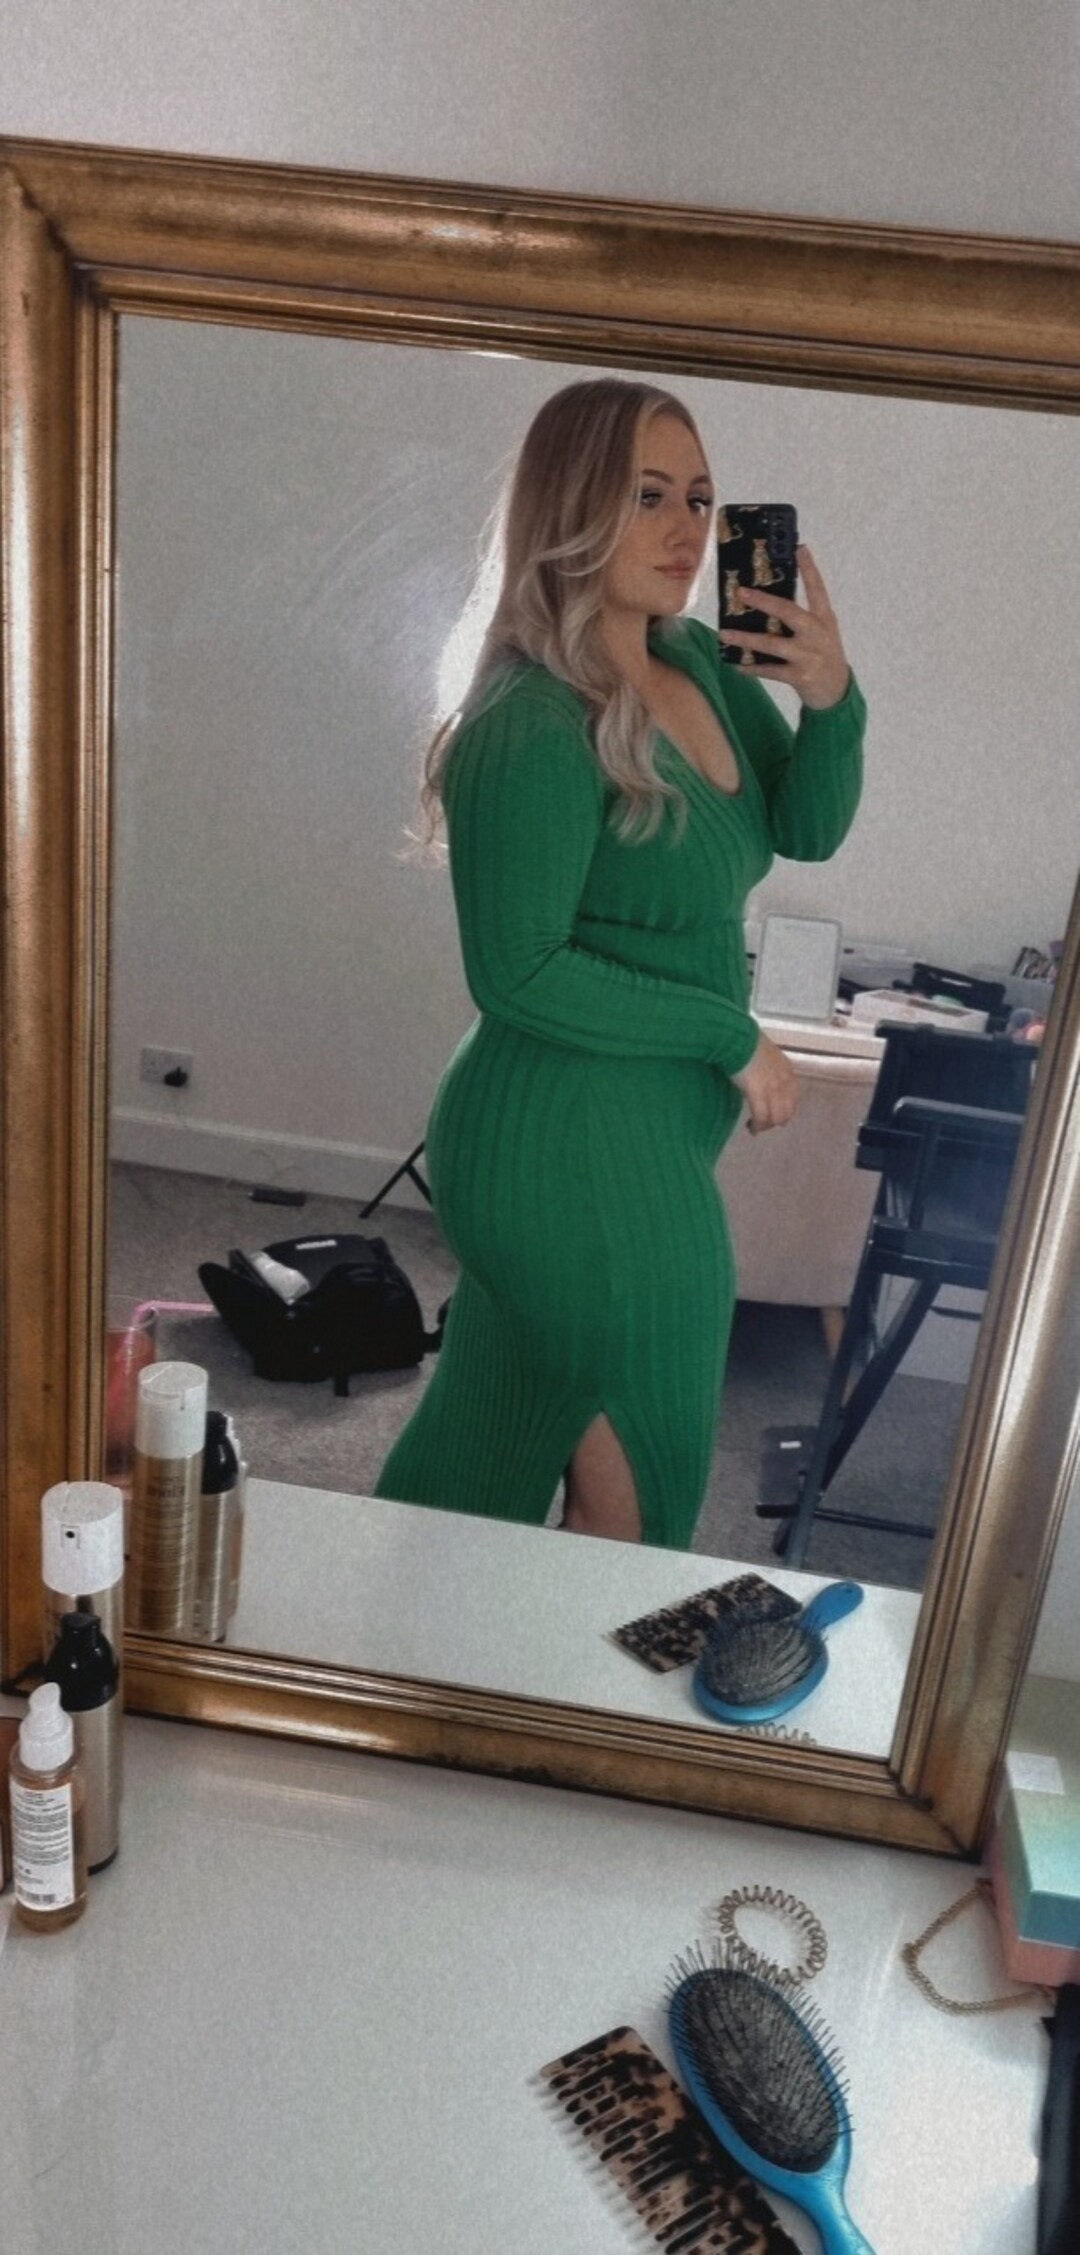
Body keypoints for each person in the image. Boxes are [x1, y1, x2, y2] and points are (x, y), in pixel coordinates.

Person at [374, 377, 864, 1547]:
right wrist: (727, 1032)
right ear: (572, 505)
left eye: (699, 496)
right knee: (639, 1483)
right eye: (647, 495)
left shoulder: (696, 660)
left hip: (628, 1139)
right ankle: (530, 1663)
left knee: (483, 1450)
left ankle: (391, 1628)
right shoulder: (530, 718)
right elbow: (520, 971)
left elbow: (805, 828)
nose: (687, 527)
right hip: (561, 1145)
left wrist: (831, 699)